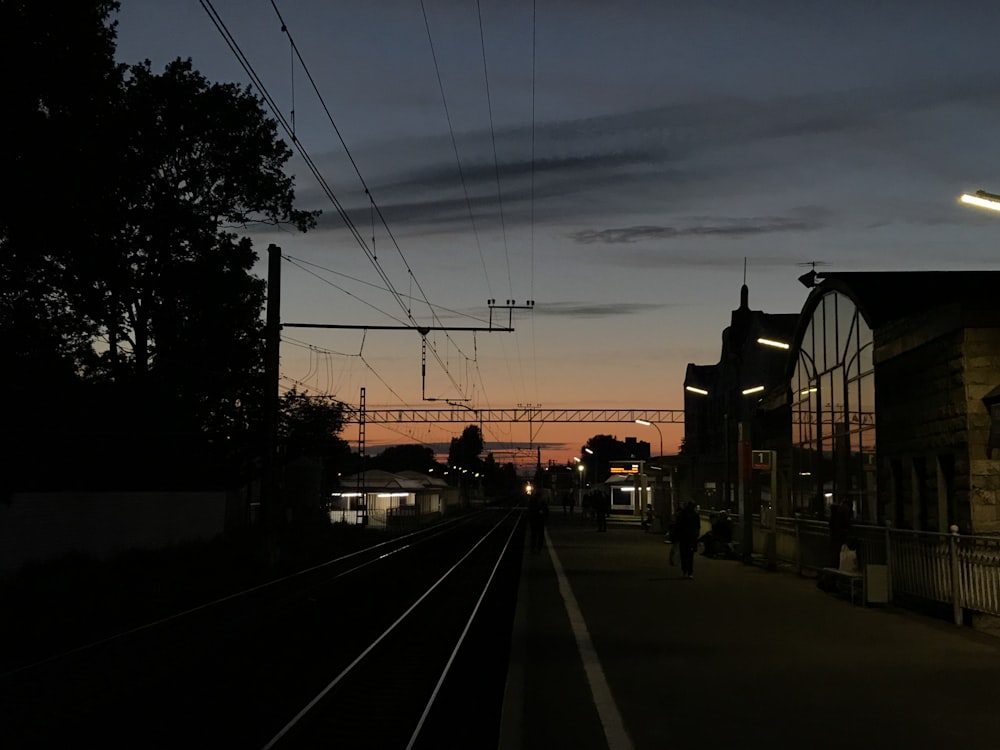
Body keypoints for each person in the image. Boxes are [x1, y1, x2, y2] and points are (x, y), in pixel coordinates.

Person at [675, 501, 701, 578]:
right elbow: (698, 526)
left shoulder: (681, 514)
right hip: (691, 537)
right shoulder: (695, 515)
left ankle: (685, 571)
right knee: (690, 555)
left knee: (684, 554)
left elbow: (678, 526)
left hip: (683, 537)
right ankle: (689, 572)